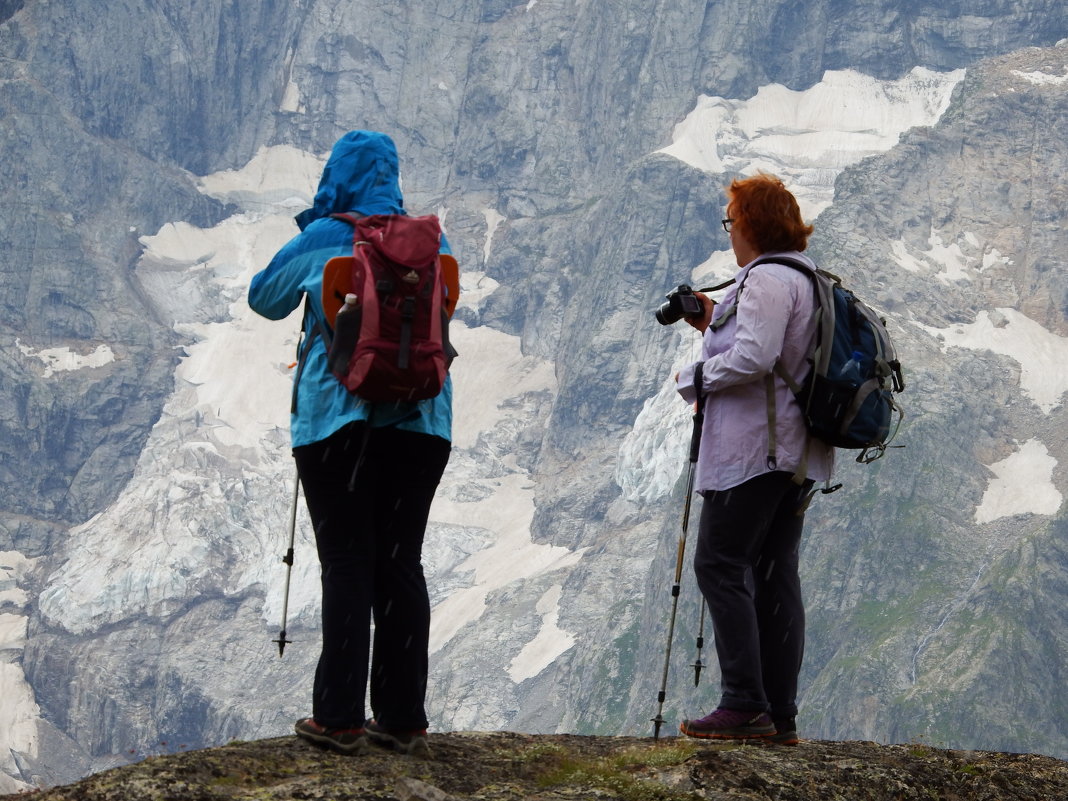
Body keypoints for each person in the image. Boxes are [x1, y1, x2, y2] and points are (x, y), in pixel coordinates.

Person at [248, 130, 453, 757]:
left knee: (346, 562)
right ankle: (401, 717)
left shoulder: (323, 238)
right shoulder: (432, 244)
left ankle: (338, 717)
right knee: (400, 563)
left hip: (337, 424)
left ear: (337, 175)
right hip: (423, 423)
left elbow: (264, 299)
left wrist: (317, 226)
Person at [674, 173, 833, 745]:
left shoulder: (766, 278)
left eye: (731, 220)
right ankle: (780, 713)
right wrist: (709, 318)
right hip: (795, 455)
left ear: (750, 225)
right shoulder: (806, 278)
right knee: (773, 573)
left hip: (756, 452)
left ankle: (744, 703)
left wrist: (693, 377)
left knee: (719, 564)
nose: (731, 230)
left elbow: (756, 356)